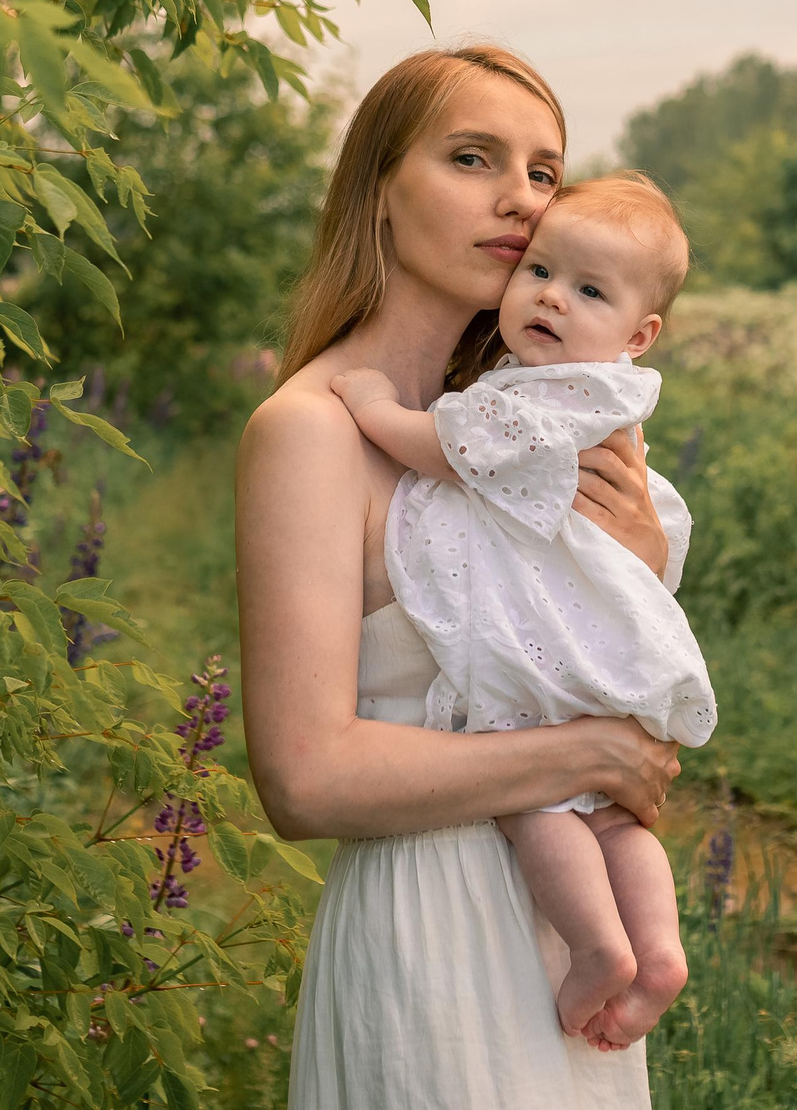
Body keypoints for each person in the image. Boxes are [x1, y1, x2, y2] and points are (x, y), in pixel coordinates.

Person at [237, 46, 683, 1110]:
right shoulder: (311, 431)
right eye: (474, 158)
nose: (520, 201)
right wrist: (587, 753)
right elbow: (303, 779)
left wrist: (645, 561)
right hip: (430, 930)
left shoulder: (531, 426)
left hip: (570, 927)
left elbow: (595, 640)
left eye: (542, 171)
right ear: (378, 191)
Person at [328, 173, 713, 1050]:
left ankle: (598, 946)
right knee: (613, 818)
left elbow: (450, 447)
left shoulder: (539, 397)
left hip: (544, 656)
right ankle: (658, 950)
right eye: (541, 269)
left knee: (539, 802)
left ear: (641, 332)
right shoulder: (608, 390)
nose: (549, 296)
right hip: (599, 652)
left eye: (587, 290)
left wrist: (378, 408)